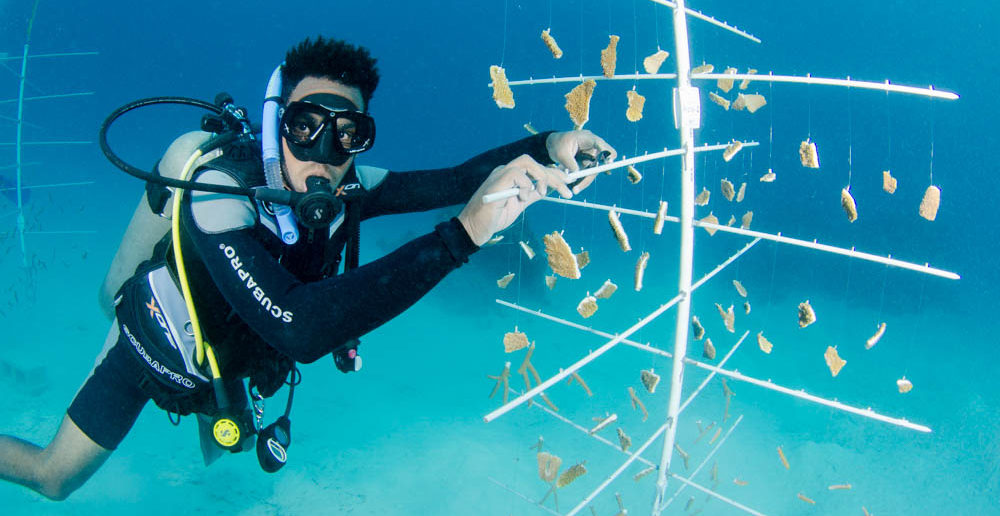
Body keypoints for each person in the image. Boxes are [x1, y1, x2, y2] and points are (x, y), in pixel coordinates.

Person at [0, 36, 616, 500]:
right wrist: (467, 235)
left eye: (347, 136)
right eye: (305, 128)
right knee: (55, 480)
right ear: (277, 125)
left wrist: (549, 144)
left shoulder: (351, 189)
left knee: (226, 443)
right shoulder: (221, 191)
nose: (323, 155)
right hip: (160, 343)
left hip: (234, 358)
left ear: (362, 141)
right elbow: (298, 325)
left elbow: (455, 179)